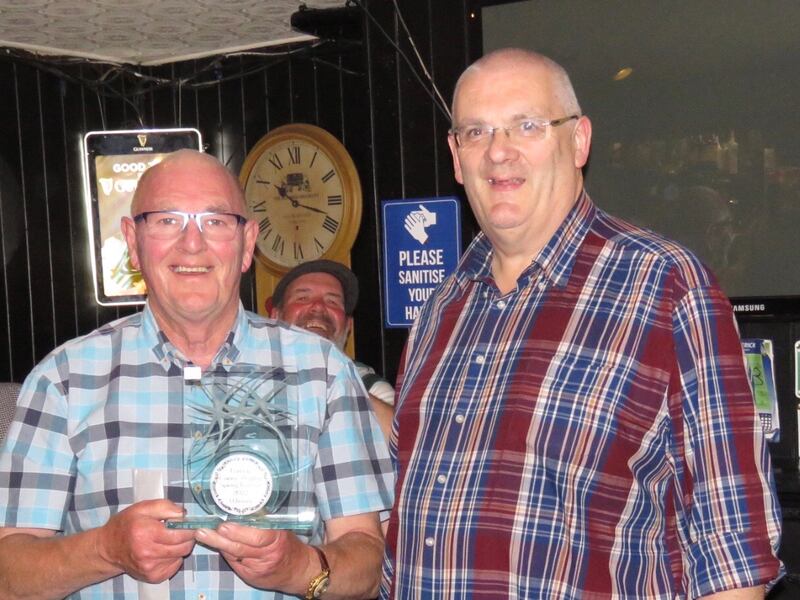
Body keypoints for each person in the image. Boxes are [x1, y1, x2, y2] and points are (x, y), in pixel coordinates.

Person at [381, 48, 782, 599]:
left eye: (527, 125)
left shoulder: (667, 287)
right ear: (456, 155)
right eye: (476, 132)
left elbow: (730, 548)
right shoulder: (439, 311)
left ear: (578, 141)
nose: (499, 152)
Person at [0, 150, 394, 599]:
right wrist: (105, 550)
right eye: (167, 220)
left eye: (216, 221)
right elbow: (9, 574)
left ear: (248, 244)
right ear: (133, 240)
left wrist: (296, 566)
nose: (192, 243)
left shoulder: (323, 372)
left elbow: (368, 561)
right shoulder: (64, 380)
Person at [270, 259, 395, 441]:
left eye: (333, 301)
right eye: (303, 298)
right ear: (275, 317)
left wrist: (334, 379)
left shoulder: (371, 387)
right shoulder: (249, 379)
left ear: (348, 325)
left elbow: (402, 444)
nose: (319, 306)